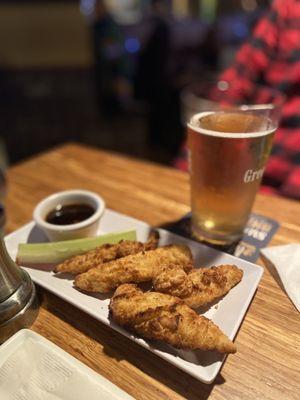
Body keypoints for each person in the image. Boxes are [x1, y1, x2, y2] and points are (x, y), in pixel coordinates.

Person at [176, 0, 300, 200]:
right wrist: (187, 168)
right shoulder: (288, 9)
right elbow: (235, 82)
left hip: (282, 198)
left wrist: (285, 204)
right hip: (234, 171)